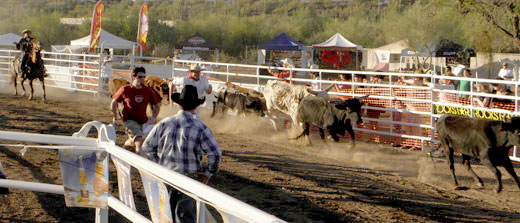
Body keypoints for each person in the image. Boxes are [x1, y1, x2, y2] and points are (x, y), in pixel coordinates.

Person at [141, 85, 222, 223]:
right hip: (188, 179)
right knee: (184, 216)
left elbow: (147, 147)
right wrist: (207, 173)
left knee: (165, 215)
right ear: (196, 106)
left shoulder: (164, 123)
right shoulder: (200, 127)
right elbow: (215, 154)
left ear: (179, 104)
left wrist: (157, 166)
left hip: (165, 177)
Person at [111, 67, 161, 153]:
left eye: (144, 77)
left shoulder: (147, 91)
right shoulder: (125, 89)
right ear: (133, 77)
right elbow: (114, 103)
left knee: (132, 141)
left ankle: (123, 151)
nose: (142, 79)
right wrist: (115, 118)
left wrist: (153, 117)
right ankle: (140, 163)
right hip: (129, 120)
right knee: (139, 141)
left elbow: (157, 105)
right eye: (140, 77)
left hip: (142, 120)